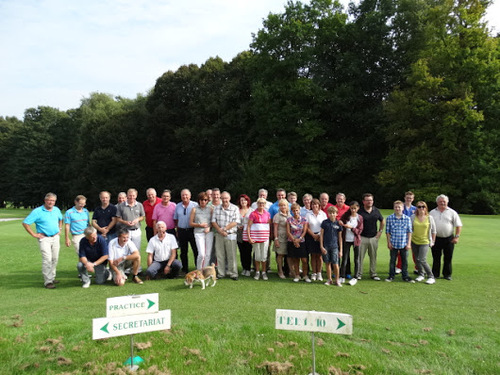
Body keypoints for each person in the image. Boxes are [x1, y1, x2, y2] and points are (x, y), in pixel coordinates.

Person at [22, 192, 63, 289]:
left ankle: (52, 277)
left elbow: (61, 219)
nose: (51, 202)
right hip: (44, 238)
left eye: (53, 201)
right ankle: (48, 281)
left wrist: (60, 229)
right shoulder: (38, 211)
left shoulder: (56, 209)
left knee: (54, 258)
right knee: (47, 259)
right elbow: (25, 223)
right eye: (49, 200)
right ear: (45, 200)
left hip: (55, 237)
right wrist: (34, 234)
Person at [429, 194, 463, 280]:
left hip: (449, 238)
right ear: (437, 202)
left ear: (447, 202)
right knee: (436, 257)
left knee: (448, 257)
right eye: (440, 201)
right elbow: (428, 225)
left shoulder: (452, 212)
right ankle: (435, 274)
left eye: (444, 201)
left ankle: (447, 274)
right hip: (435, 238)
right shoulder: (432, 212)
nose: (442, 203)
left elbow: (458, 225)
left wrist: (457, 237)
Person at [211, 191, 240, 280]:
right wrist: (220, 230)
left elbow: (235, 221)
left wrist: (224, 229)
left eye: (226, 198)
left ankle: (233, 273)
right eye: (223, 198)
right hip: (219, 234)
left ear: (229, 198)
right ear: (220, 198)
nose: (224, 200)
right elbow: (213, 221)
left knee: (231, 255)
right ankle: (221, 273)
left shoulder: (234, 208)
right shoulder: (216, 208)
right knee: (220, 255)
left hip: (230, 234)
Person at [357, 193, 384, 281]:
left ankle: (373, 273)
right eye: (367, 200)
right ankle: (359, 273)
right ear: (363, 201)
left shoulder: (376, 210)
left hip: (373, 238)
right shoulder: (359, 211)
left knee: (373, 256)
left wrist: (380, 231)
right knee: (360, 257)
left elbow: (382, 220)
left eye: (371, 200)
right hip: (362, 237)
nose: (369, 202)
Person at [385, 200, 413, 282]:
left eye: (399, 207)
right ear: (394, 208)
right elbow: (388, 232)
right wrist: (389, 242)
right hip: (393, 243)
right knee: (392, 260)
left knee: (404, 261)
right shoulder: (390, 218)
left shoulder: (407, 219)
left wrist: (409, 243)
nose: (397, 209)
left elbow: (409, 232)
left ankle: (405, 276)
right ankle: (391, 276)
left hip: (403, 243)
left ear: (402, 208)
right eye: (396, 207)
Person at [411, 201, 437, 284]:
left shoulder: (429, 218)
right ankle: (421, 274)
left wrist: (432, 241)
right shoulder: (413, 217)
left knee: (422, 259)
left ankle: (431, 276)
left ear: (426, 208)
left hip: (425, 241)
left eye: (423, 207)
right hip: (414, 241)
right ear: (417, 208)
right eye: (419, 207)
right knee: (417, 259)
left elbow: (434, 231)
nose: (421, 208)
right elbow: (410, 229)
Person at [174, 188, 199, 274]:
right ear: (181, 196)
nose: (185, 196)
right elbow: (176, 219)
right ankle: (185, 269)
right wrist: (177, 230)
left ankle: (197, 268)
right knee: (183, 251)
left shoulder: (195, 205)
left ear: (190, 196)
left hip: (192, 230)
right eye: (183, 195)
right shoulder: (178, 206)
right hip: (182, 231)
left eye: (186, 195)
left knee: (195, 250)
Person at [339, 201, 363, 285]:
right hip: (346, 240)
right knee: (345, 258)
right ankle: (342, 276)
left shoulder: (359, 218)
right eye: (352, 208)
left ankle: (355, 276)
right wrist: (341, 222)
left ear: (358, 208)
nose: (353, 210)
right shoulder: (346, 215)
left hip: (356, 240)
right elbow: (340, 221)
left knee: (356, 259)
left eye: (355, 208)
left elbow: (359, 231)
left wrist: (351, 228)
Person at [247, 198, 271, 281]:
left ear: (265, 204)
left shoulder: (267, 214)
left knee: (264, 256)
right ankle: (257, 271)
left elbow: (268, 226)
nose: (261, 205)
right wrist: (249, 237)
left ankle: (263, 272)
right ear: (257, 204)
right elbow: (249, 226)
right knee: (257, 255)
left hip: (265, 238)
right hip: (255, 238)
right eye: (260, 203)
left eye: (263, 203)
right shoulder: (253, 214)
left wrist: (269, 237)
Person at [189, 192, 214, 269]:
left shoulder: (210, 209)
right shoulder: (194, 209)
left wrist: (209, 227)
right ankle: (199, 270)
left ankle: (205, 270)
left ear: (207, 201)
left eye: (205, 200)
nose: (203, 201)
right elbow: (191, 223)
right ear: (199, 200)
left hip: (209, 233)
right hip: (198, 233)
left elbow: (213, 222)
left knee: (208, 254)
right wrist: (200, 225)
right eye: (201, 200)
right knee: (201, 254)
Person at [320, 206, 343, 287]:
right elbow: (321, 235)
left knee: (335, 264)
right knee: (327, 263)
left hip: (335, 247)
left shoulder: (338, 224)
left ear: (336, 214)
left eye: (333, 213)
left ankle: (337, 280)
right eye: (330, 213)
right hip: (326, 246)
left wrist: (341, 251)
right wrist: (321, 246)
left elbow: (340, 238)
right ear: (328, 214)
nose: (332, 214)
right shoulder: (324, 223)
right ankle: (329, 279)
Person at [287, 203, 309, 283]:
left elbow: (304, 231)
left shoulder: (304, 219)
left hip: (301, 241)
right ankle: (297, 275)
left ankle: (305, 275)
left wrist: (299, 239)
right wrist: (294, 240)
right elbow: (288, 232)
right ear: (292, 211)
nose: (295, 212)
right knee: (296, 259)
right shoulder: (289, 220)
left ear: (299, 210)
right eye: (294, 211)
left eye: (297, 210)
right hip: (292, 241)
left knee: (304, 260)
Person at [305, 198, 327, 281]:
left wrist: (319, 235)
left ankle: (319, 273)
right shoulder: (308, 214)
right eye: (313, 204)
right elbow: (306, 227)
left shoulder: (323, 214)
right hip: (311, 236)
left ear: (319, 205)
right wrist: (313, 235)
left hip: (321, 236)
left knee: (320, 256)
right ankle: (313, 273)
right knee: (313, 255)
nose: (314, 206)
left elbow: (325, 226)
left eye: (316, 204)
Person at [397, 191, 418, 274]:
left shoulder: (415, 209)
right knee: (401, 250)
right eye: (407, 198)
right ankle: (399, 267)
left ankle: (417, 267)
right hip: (402, 232)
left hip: (413, 232)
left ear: (413, 199)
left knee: (415, 251)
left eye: (411, 198)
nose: (409, 199)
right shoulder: (400, 207)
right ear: (405, 198)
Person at [273, 199, 290, 279]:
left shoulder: (290, 215)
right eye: (281, 205)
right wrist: (276, 239)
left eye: (284, 205)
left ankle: (290, 271)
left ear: (287, 206)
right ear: (279, 207)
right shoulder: (277, 216)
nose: (283, 207)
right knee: (280, 255)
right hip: (280, 237)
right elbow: (275, 228)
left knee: (288, 255)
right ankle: (280, 271)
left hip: (289, 237)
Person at [237, 194, 253, 277]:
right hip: (239, 234)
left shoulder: (251, 210)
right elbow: (233, 220)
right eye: (241, 200)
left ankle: (248, 269)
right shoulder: (236, 210)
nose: (243, 202)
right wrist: (237, 226)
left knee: (248, 251)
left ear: (248, 201)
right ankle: (244, 268)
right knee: (242, 252)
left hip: (248, 234)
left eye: (245, 200)